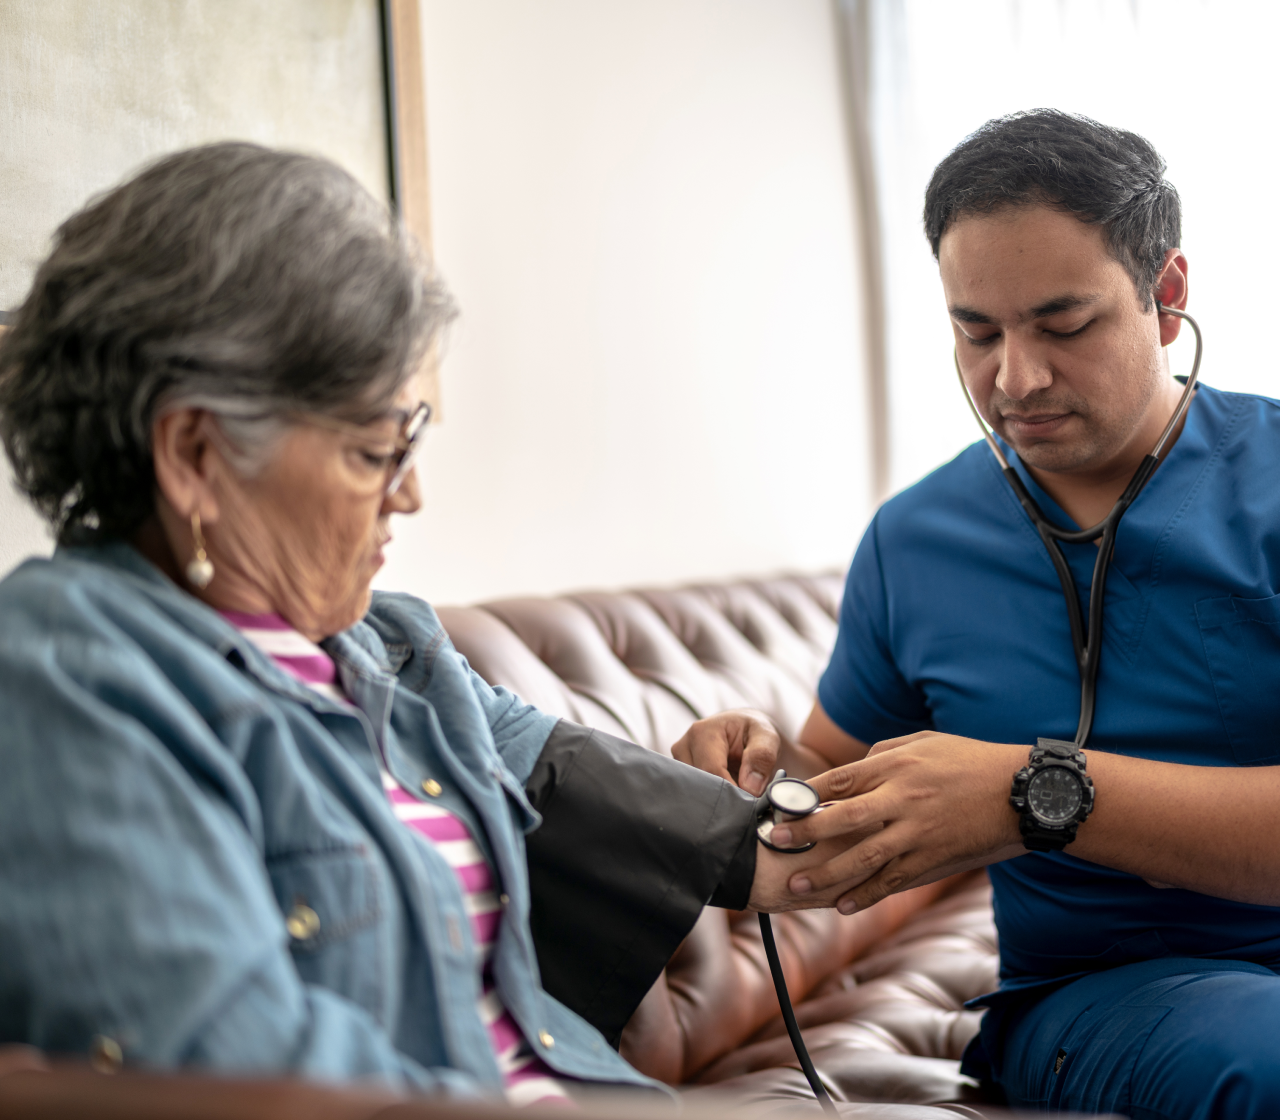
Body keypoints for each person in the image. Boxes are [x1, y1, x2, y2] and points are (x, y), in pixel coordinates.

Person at [0, 143, 857, 1102]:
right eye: (380, 448)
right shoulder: (65, 675)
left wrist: (928, 815)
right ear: (196, 455)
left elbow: (582, 778)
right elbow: (245, 1069)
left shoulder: (387, 647)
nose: (410, 495)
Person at [674, 111, 1280, 1118]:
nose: (1015, 379)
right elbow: (829, 772)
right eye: (977, 331)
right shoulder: (913, 541)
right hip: (1101, 997)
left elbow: (1007, 791)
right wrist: (755, 778)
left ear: (1166, 295)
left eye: (1063, 325)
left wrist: (1026, 793)